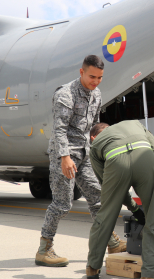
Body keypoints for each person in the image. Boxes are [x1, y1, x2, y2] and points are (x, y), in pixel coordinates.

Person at [36, 55, 138, 267]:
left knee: (98, 199)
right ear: (81, 72)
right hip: (64, 155)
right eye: (92, 76)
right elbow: (59, 129)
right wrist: (64, 158)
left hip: (85, 154)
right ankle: (44, 249)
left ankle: (110, 241)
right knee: (62, 204)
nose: (96, 81)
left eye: (100, 77)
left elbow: (94, 126)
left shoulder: (96, 93)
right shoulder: (65, 94)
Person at [85, 120, 154, 279]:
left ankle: (92, 269)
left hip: (115, 162)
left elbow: (111, 189)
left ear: (93, 137)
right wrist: (152, 178)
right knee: (153, 220)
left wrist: (134, 208)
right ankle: (149, 274)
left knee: (105, 217)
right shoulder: (135, 124)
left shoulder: (95, 146)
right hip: (145, 157)